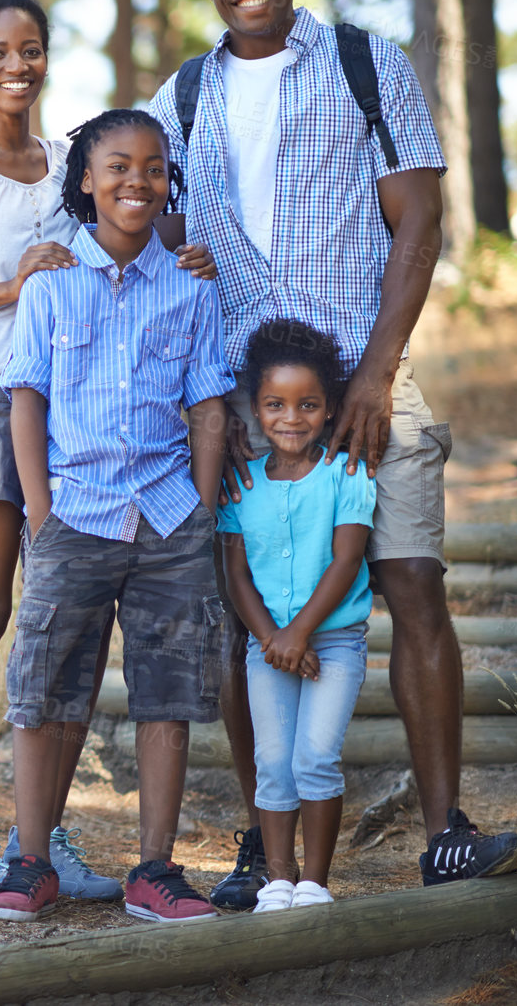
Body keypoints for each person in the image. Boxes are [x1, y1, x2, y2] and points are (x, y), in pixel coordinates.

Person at [148, 0, 517, 905]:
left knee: (411, 583)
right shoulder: (181, 96)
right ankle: (261, 842)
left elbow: (421, 220)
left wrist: (374, 370)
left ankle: (445, 828)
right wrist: (209, 400)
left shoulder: (366, 63)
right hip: (241, 406)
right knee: (244, 618)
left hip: (369, 388)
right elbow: (157, 243)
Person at [0, 0, 216, 904]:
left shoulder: (71, 158)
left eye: (31, 49)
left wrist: (187, 255)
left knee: (61, 625)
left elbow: (127, 224)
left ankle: (43, 837)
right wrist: (7, 285)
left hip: (79, 415)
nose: (16, 65)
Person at [0, 108, 233, 923]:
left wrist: (197, 508)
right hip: (74, 515)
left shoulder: (191, 286)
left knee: (167, 694)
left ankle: (154, 869)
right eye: (119, 166)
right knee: (44, 689)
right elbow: (26, 398)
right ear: (85, 181)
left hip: (168, 518)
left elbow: (207, 405)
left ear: (171, 181)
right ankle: (30, 860)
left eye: (155, 167)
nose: (139, 180)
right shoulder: (50, 283)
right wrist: (39, 509)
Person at [218, 318, 375, 911]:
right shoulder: (242, 485)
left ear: (330, 408)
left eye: (308, 404)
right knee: (273, 762)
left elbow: (346, 559)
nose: (291, 418)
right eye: (275, 404)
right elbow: (235, 576)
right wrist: (276, 640)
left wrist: (300, 632)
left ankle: (314, 881)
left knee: (315, 755)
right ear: (256, 410)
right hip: (268, 647)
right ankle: (277, 880)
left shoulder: (348, 474)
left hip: (332, 644)